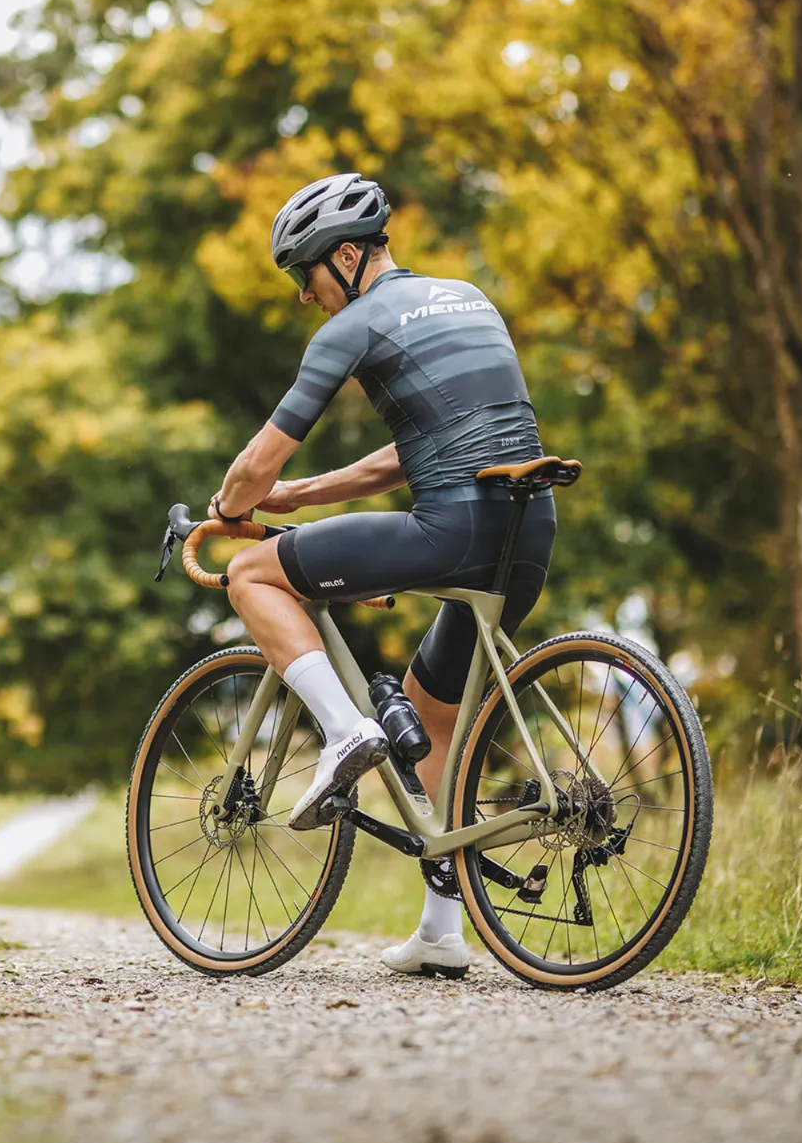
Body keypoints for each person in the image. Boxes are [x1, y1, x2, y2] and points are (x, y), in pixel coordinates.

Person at [208, 172, 555, 978]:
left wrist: (233, 505)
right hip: (528, 529)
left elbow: (260, 458)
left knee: (253, 574)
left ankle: (341, 729)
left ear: (351, 256)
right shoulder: (469, 297)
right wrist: (303, 494)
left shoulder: (353, 326)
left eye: (307, 274)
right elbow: (417, 450)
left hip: (450, 529)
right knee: (432, 723)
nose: (305, 296)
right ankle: (442, 931)